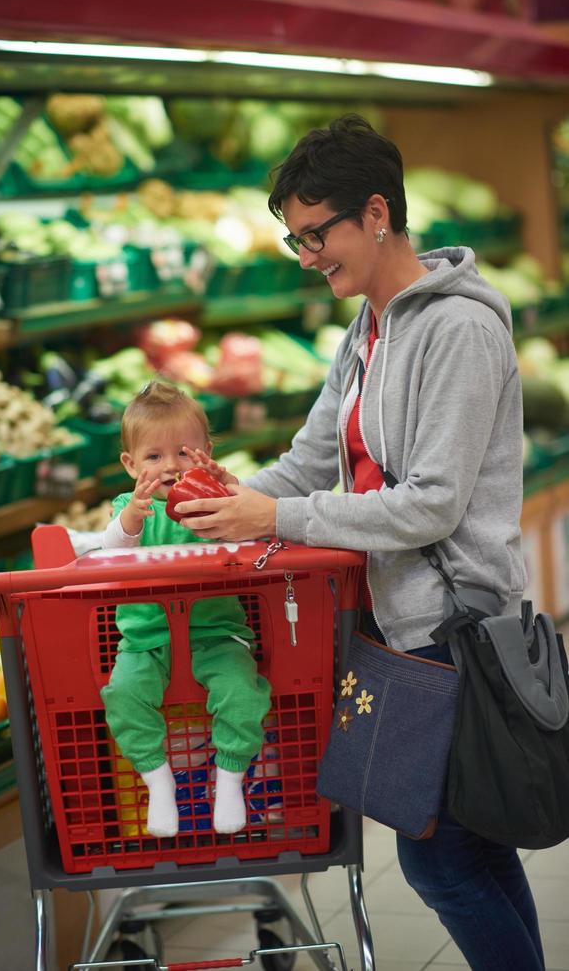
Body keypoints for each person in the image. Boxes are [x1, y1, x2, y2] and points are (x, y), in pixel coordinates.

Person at [171, 115, 544, 970]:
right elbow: (307, 463)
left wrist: (281, 521)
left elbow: (432, 507)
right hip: (402, 629)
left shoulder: (459, 330)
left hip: (456, 629)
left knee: (440, 858)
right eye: (294, 241)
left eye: (316, 234)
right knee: (474, 850)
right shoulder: (368, 329)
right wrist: (214, 497)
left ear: (377, 213)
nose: (307, 257)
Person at [99, 381, 271, 838]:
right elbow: (112, 549)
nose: (170, 466)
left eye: (184, 452)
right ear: (130, 465)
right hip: (147, 639)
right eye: (154, 457)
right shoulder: (130, 509)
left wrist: (227, 493)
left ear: (206, 453)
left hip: (215, 634)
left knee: (242, 691)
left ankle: (230, 777)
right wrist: (133, 515)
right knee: (122, 695)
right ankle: (158, 781)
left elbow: (247, 542)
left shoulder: (213, 502)